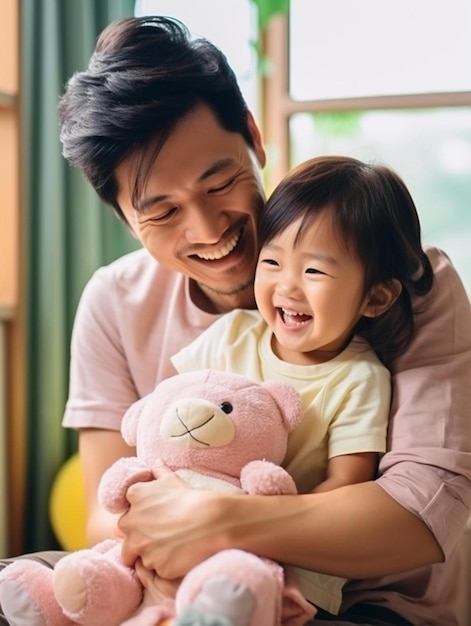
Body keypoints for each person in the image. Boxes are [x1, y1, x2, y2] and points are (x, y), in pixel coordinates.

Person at [0, 14, 470, 626]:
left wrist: (218, 521)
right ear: (121, 218)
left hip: (367, 606)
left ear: (253, 135)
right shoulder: (114, 300)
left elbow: (423, 515)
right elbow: (100, 513)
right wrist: (164, 544)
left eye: (219, 182)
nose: (208, 230)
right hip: (161, 579)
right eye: (162, 212)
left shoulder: (404, 279)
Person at [169, 154, 434, 615]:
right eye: (272, 262)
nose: (287, 286)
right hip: (188, 536)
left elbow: (346, 483)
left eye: (313, 271)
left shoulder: (359, 379)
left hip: (288, 567)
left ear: (375, 296)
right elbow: (166, 420)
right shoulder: (230, 336)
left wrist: (250, 523)